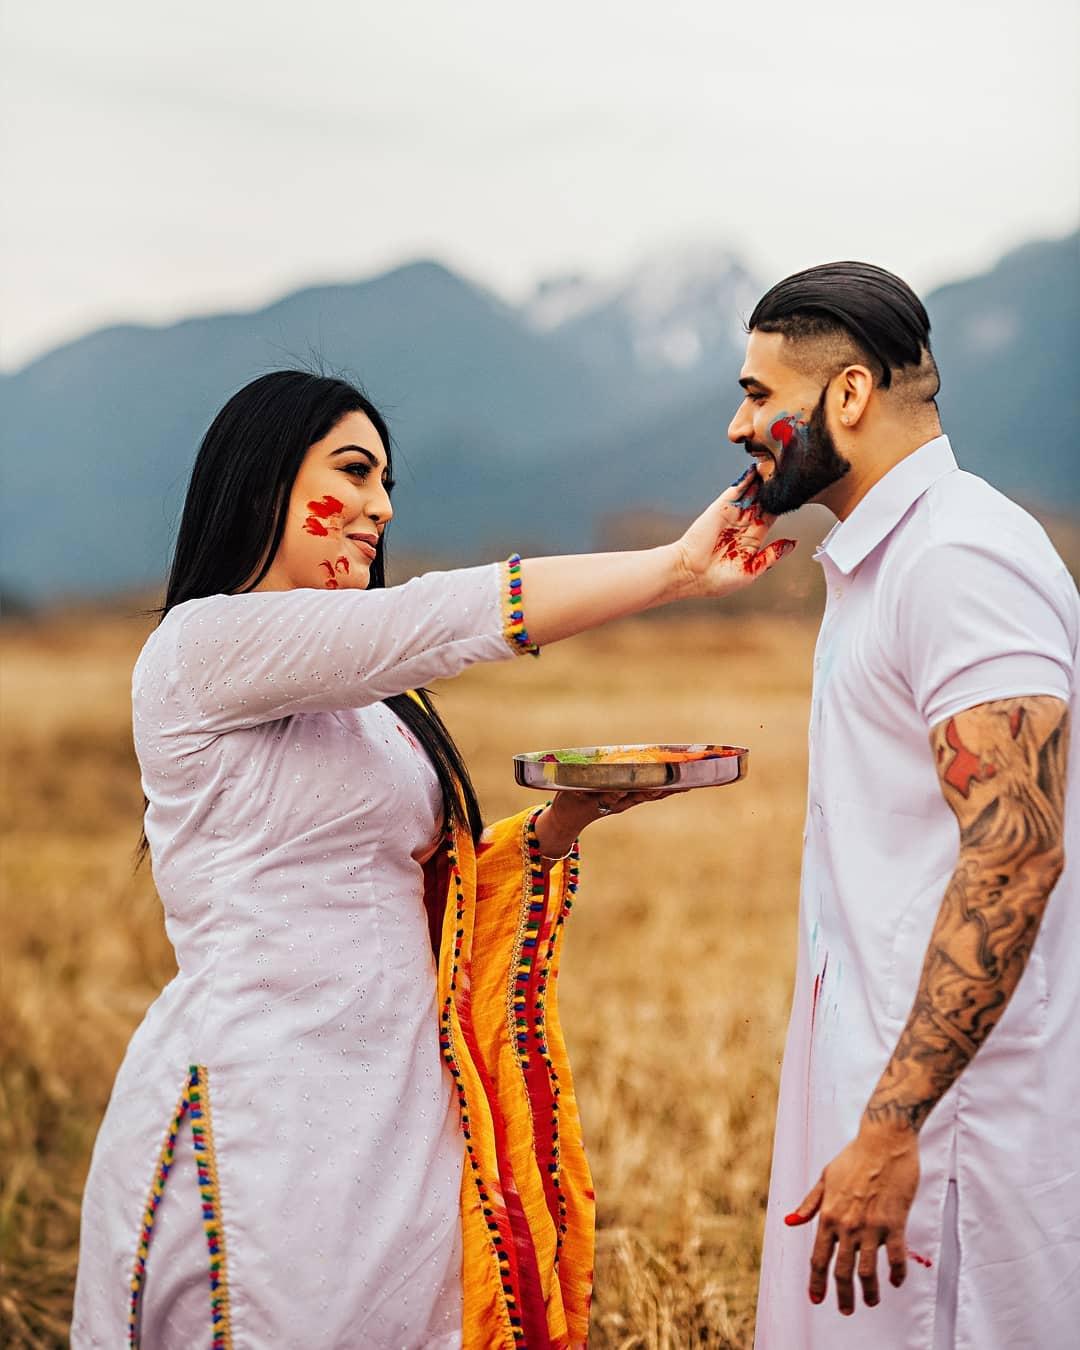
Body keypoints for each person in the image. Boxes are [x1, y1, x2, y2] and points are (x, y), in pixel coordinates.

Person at [71, 370, 794, 1349]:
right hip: (268, 1106)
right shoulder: (201, 648)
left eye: (388, 481)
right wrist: (674, 568)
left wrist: (560, 825)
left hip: (402, 1098)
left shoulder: (365, 702)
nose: (381, 506)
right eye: (355, 472)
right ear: (258, 485)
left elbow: (416, 890)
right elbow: (431, 621)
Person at [725, 263, 1078, 1349]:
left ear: (848, 396)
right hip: (890, 1097)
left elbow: (1015, 856)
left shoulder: (958, 559)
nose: (739, 426)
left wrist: (890, 1128)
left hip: (950, 1137)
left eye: (754, 394)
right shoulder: (888, 561)